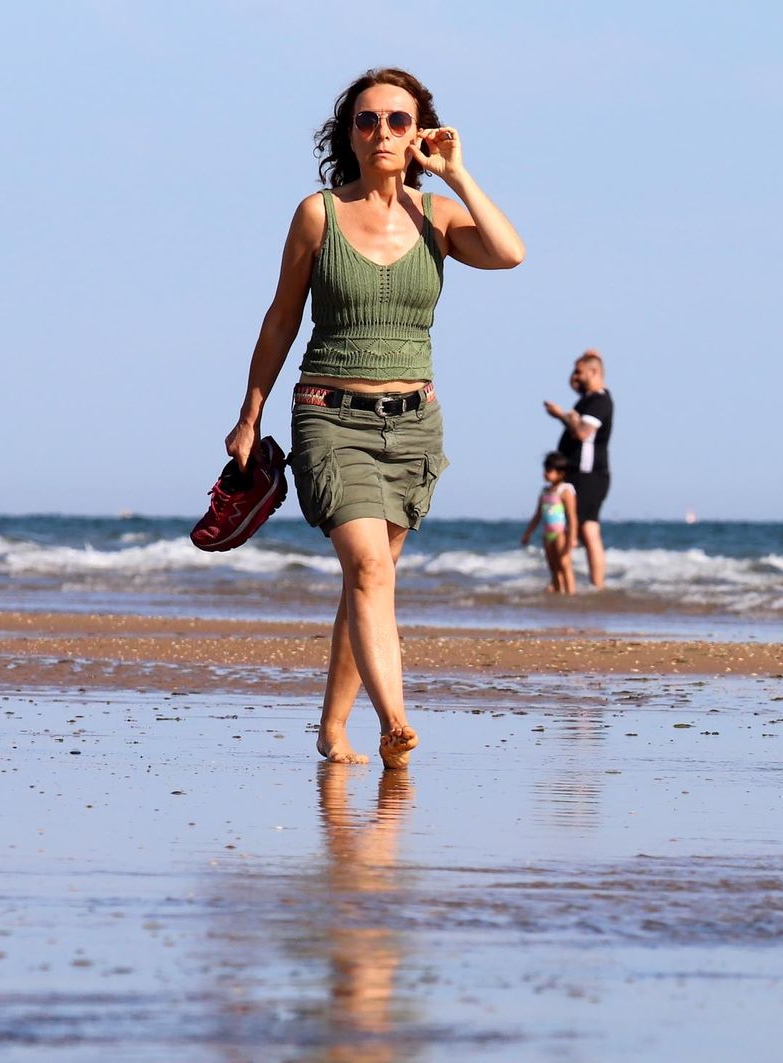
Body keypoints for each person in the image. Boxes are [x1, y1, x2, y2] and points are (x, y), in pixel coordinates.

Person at [224, 68, 524, 769]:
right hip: (330, 419)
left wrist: (456, 173)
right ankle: (396, 721)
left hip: (414, 425)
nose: (381, 132)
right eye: (366, 120)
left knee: (371, 581)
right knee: (367, 570)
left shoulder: (439, 218)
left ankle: (333, 728)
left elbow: (510, 253)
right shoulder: (317, 214)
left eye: (397, 120)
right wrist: (249, 414)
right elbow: (280, 319)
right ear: (348, 135)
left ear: (420, 132)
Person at [544, 350, 614, 588]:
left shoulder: (599, 401)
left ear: (594, 372)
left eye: (579, 372)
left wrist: (562, 416)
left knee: (585, 529)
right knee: (579, 528)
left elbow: (583, 433)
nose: (574, 376)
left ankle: (592, 584)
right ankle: (565, 582)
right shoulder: (586, 400)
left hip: (588, 475)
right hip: (576, 475)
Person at [520, 452, 578, 594]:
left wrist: (572, 537)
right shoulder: (545, 491)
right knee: (553, 567)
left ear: (560, 473)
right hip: (547, 534)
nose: (545, 473)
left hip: (560, 534)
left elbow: (572, 516)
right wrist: (527, 533)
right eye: (545, 470)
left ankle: (571, 593)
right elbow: (538, 515)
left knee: (564, 564)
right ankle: (558, 591)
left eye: (549, 471)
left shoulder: (565, 490)